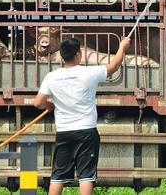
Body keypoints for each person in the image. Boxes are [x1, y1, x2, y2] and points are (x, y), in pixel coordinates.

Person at [33, 36, 132, 195]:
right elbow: (113, 66)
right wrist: (122, 47)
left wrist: (50, 105)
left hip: (64, 132)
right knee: (86, 176)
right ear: (78, 54)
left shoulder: (51, 77)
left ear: (62, 55)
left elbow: (38, 103)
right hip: (86, 132)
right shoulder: (89, 72)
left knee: (58, 175)